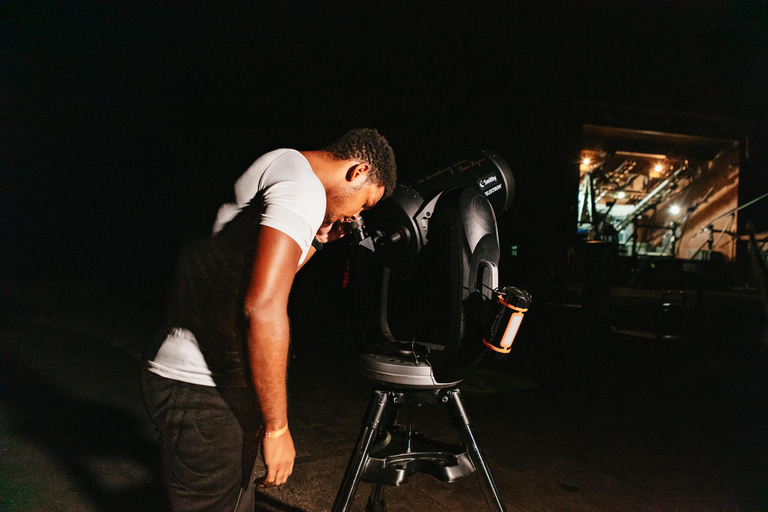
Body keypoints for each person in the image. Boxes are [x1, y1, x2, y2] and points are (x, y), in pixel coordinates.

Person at [141, 128, 397, 511]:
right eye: (365, 204)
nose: (357, 216)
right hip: (204, 390)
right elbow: (262, 308)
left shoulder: (286, 167)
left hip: (198, 384)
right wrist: (278, 427)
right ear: (358, 171)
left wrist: (321, 238)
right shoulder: (303, 187)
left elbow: (266, 277)